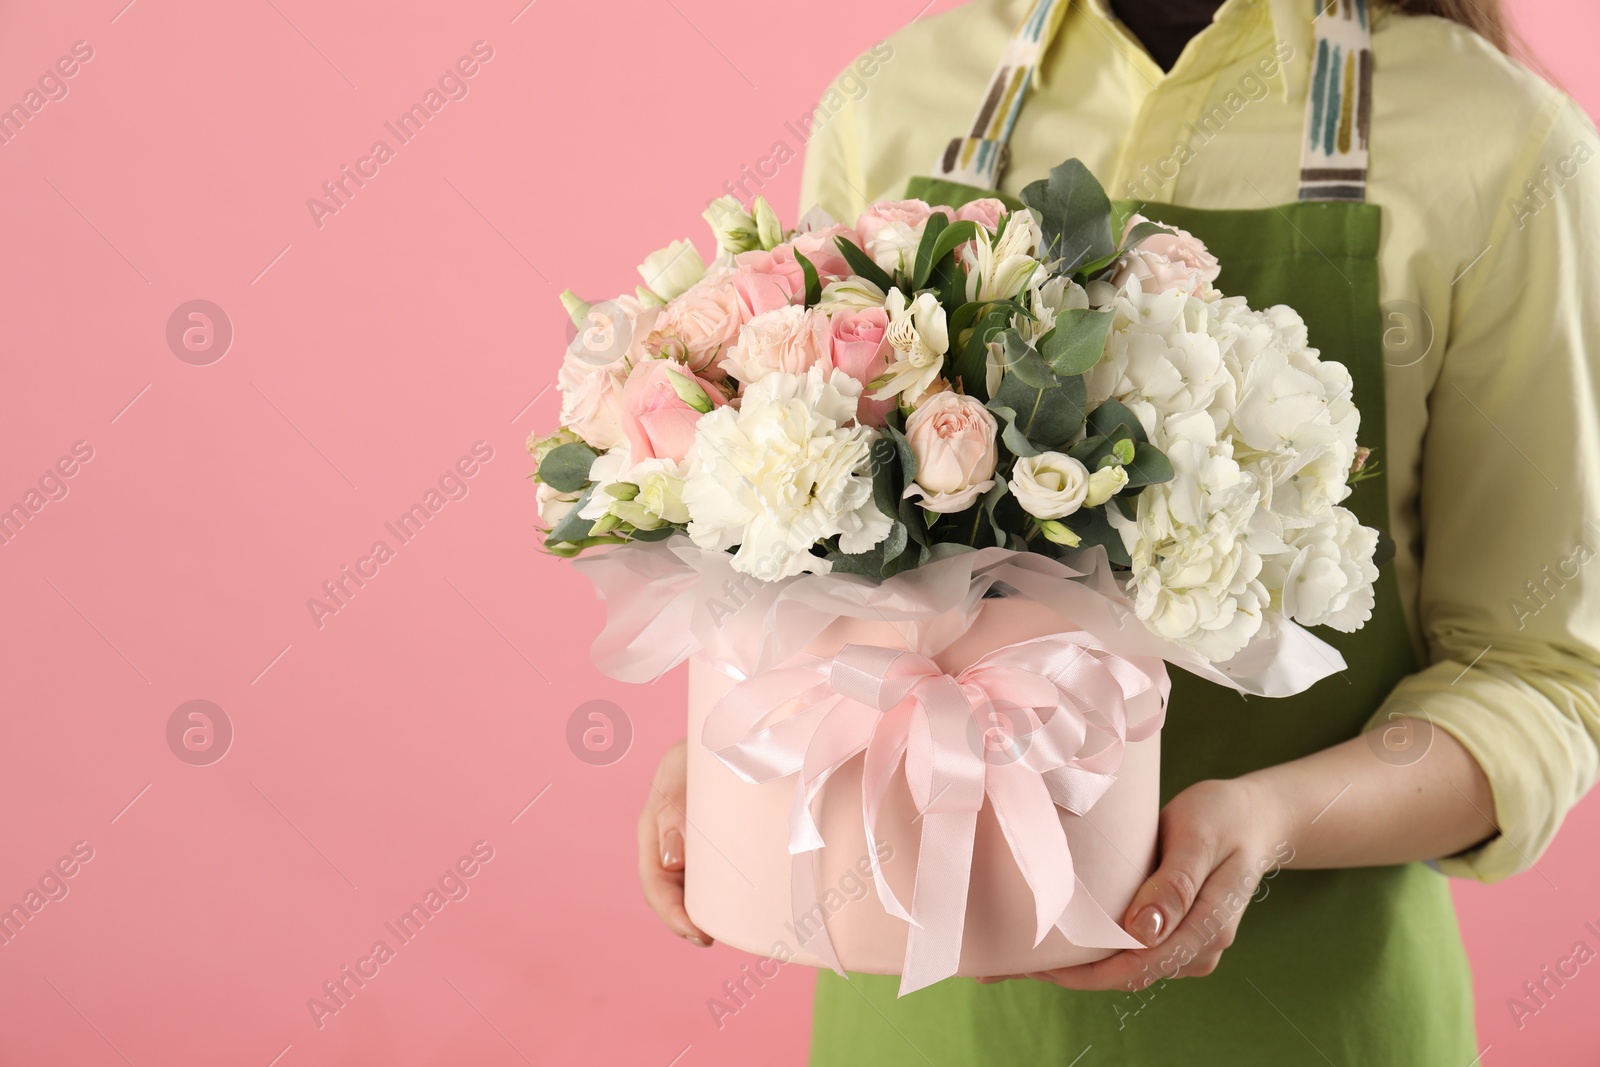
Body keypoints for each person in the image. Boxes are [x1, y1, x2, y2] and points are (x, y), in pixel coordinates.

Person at [638, 0, 1600, 1061]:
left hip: (1303, 1007)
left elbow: (1538, 674)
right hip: (922, 1016)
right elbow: (804, 540)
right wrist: (745, 727)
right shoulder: (895, 97)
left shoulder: (1501, 147)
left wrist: (1273, 821)